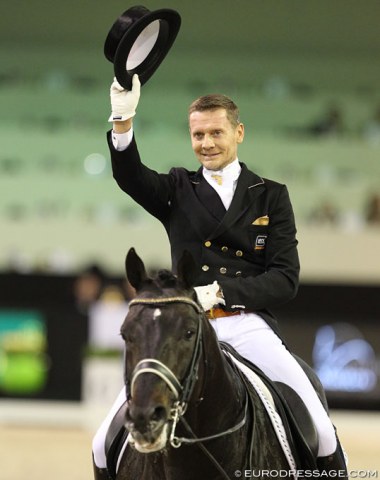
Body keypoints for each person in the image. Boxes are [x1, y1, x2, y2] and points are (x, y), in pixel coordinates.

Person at [92, 75, 347, 479]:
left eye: (215, 132)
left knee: (321, 431)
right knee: (102, 444)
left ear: (238, 132)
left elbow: (284, 280)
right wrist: (122, 120)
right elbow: (130, 176)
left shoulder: (270, 195)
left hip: (247, 327)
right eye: (198, 135)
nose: (206, 143)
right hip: (183, 334)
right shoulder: (178, 187)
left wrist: (221, 292)